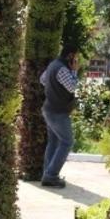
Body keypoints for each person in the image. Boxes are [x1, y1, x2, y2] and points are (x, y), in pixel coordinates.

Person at [39, 47, 80, 188]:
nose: (76, 60)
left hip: (49, 109)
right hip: (57, 112)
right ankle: (51, 175)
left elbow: (43, 80)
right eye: (75, 58)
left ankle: (47, 174)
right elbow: (72, 87)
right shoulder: (62, 69)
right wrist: (74, 71)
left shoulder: (52, 65)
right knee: (67, 142)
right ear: (70, 56)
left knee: (54, 142)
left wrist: (55, 86)